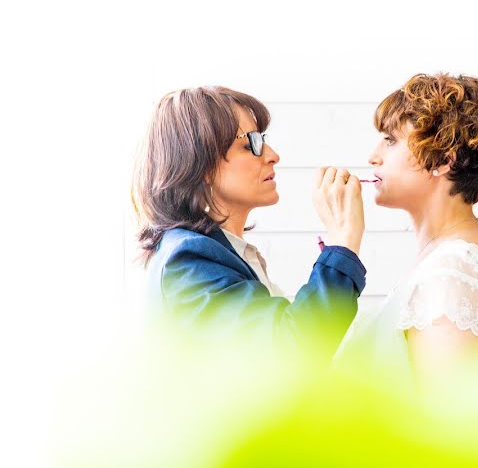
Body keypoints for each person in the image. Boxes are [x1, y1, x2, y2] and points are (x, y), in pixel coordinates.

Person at [132, 86, 367, 356]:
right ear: (203, 164)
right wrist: (343, 241)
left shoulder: (220, 251)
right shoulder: (188, 260)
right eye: (251, 143)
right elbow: (289, 355)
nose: (272, 155)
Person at [335, 73, 478, 386]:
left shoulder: (453, 271)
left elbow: (448, 431)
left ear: (442, 161)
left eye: (390, 140)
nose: (373, 156)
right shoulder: (448, 258)